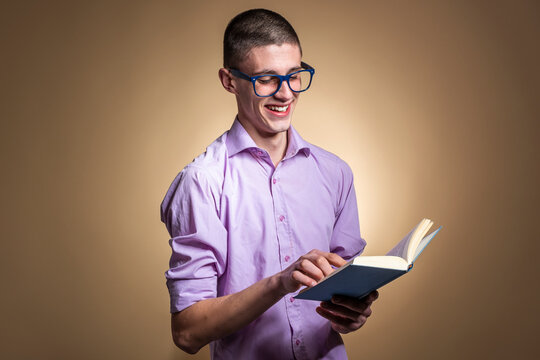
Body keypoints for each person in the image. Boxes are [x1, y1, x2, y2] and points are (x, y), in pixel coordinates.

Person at [160, 8, 378, 359]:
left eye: (295, 75)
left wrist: (351, 312)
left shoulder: (335, 173)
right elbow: (187, 332)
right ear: (229, 80)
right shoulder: (202, 182)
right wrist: (280, 283)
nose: (286, 93)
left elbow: (341, 301)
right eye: (266, 79)